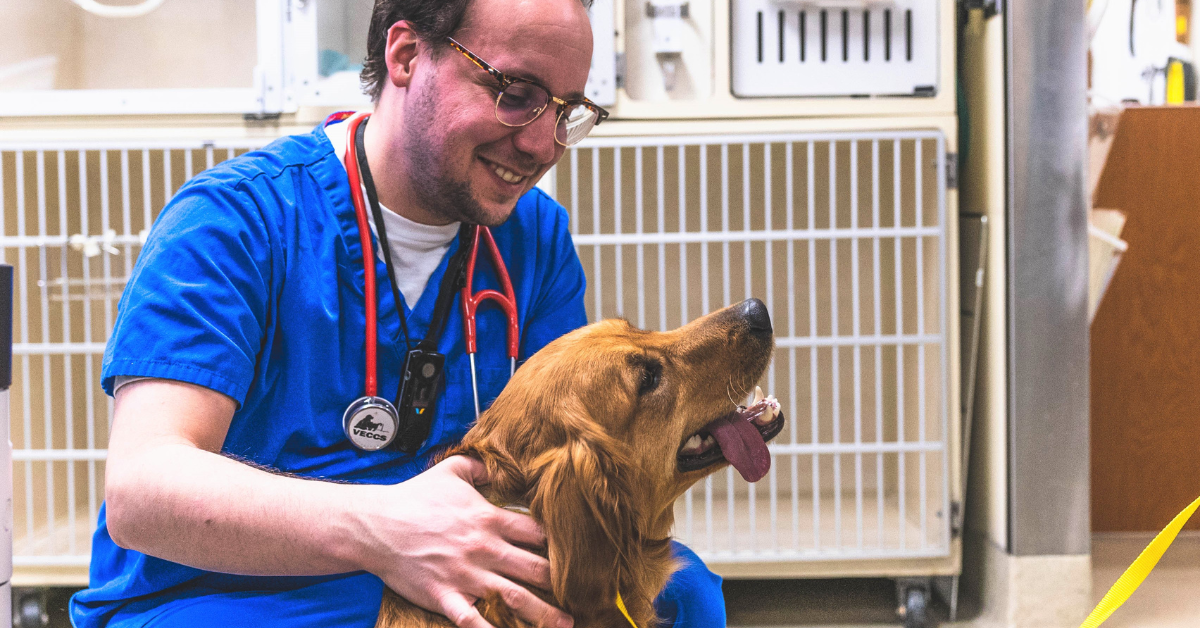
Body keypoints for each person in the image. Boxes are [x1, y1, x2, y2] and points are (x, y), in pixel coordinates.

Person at [69, 0, 726, 626]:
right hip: (225, 589)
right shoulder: (237, 221)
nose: (543, 145)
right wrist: (386, 528)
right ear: (408, 53)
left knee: (680, 592)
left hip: (451, 566)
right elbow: (144, 490)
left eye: (566, 110)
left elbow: (571, 458)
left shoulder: (534, 240)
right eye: (516, 93)